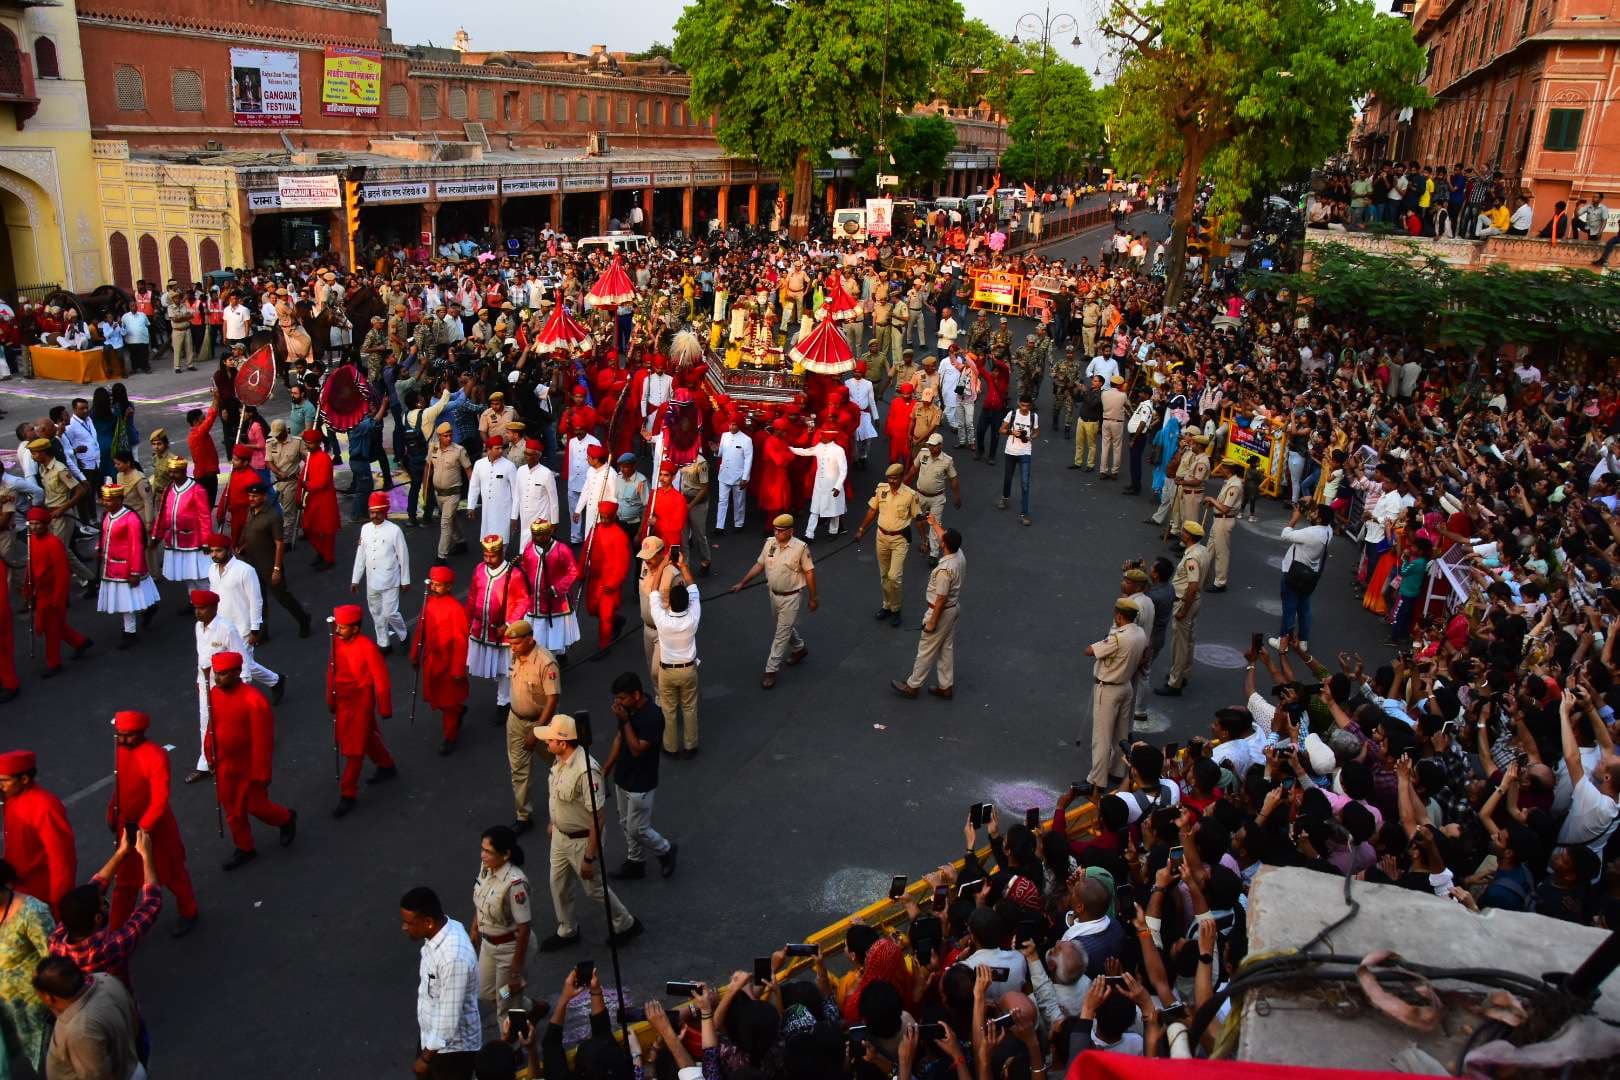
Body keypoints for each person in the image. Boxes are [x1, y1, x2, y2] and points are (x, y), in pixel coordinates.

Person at [532, 713, 641, 951]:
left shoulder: (586, 771)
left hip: (582, 842)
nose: (546, 742)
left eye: (549, 739)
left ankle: (625, 923)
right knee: (557, 883)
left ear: (562, 742)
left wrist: (589, 858)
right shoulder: (560, 759)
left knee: (594, 889)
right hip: (561, 837)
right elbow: (559, 796)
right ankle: (567, 928)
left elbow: (598, 818)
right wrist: (555, 822)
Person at [107, 710, 199, 936]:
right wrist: (112, 812)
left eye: (127, 735)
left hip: (155, 830)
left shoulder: (155, 756)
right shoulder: (120, 750)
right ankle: (114, 930)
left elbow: (159, 799)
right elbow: (120, 785)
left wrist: (142, 830)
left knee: (172, 873)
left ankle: (189, 911)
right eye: (119, 734)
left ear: (140, 733)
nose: (122, 739)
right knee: (125, 882)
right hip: (128, 826)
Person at [205, 650, 296, 870]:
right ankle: (244, 847)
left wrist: (262, 774)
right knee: (232, 809)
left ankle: (285, 818)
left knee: (257, 806)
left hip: (248, 766)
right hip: (226, 764)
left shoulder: (254, 701)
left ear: (237, 673)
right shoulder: (215, 694)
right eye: (217, 673)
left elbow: (263, 743)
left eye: (224, 674)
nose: (218, 678)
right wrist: (209, 753)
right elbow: (212, 727)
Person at [601, 672, 677, 881]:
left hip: (642, 782)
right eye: (616, 698)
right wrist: (607, 768)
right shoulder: (627, 710)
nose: (618, 703)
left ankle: (666, 849)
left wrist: (625, 722)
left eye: (622, 698)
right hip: (623, 776)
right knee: (626, 823)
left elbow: (636, 749)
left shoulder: (652, 716)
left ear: (636, 695)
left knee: (638, 828)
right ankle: (635, 862)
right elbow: (619, 739)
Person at [400, 885, 482, 1078]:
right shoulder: (442, 930)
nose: (404, 927)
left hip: (452, 1053)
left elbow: (448, 1017)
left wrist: (426, 1058)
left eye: (408, 923)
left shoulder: (453, 958)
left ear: (428, 922)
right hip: (433, 1040)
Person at [730, 514, 817, 690]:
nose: (776, 533)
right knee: (782, 626)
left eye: (780, 530)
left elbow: (809, 573)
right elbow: (759, 565)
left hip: (791, 596)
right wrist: (742, 582)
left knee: (780, 634)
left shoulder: (800, 548)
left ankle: (771, 670)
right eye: (775, 529)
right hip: (773, 594)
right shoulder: (770, 543)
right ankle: (799, 648)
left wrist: (814, 597)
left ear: (790, 531)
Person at [327, 603, 398, 818]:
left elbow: (380, 678)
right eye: (337, 626)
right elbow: (331, 672)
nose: (337, 630)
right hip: (343, 702)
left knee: (354, 750)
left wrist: (385, 706)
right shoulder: (336, 643)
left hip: (360, 703)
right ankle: (386, 765)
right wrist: (330, 699)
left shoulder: (367, 647)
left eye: (342, 627)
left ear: (355, 629)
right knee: (365, 737)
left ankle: (348, 793)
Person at [31, 955, 144, 1080]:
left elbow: (96, 1076)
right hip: (131, 1065)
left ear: (48, 997)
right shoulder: (105, 979)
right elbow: (135, 1021)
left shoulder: (81, 1030)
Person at [890, 520, 964, 700]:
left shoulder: (945, 571)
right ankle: (946, 686)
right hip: (953, 608)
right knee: (946, 647)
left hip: (941, 611)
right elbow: (944, 538)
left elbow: (940, 599)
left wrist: (932, 622)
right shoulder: (959, 555)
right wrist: (934, 523)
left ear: (944, 544)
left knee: (926, 649)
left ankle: (913, 685)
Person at [1082, 598, 1149, 794]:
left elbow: (1089, 651)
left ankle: (1097, 779)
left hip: (1109, 688)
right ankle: (1118, 770)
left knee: (1101, 737)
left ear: (1119, 616)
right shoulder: (1140, 633)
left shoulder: (1118, 638)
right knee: (1120, 734)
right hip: (1126, 685)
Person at [0, 750, 76, 913]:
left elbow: (62, 859)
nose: (1, 786)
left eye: (4, 781)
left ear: (24, 779)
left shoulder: (46, 807)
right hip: (17, 884)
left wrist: (59, 900)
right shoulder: (10, 797)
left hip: (40, 891)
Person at [206, 534, 281, 698]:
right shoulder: (211, 570)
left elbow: (256, 600)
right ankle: (276, 680)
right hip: (221, 626)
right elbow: (214, 596)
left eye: (218, 551)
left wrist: (255, 629)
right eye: (211, 551)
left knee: (241, 668)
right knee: (243, 664)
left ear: (229, 550)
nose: (214, 555)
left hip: (242, 627)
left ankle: (240, 702)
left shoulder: (245, 571)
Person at [468, 826, 533, 1016]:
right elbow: (481, 899)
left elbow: (524, 929)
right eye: (482, 849)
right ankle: (527, 1005)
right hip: (488, 945)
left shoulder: (515, 884)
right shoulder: (487, 868)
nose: (483, 855)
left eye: (488, 851)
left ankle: (515, 1040)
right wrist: (474, 927)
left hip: (509, 949)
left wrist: (515, 972)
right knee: (486, 993)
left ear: (505, 855)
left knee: (505, 1009)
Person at [467, 536, 530, 725]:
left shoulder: (514, 575)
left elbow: (523, 601)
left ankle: (504, 703)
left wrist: (510, 624)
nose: (487, 560)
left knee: (504, 670)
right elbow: (472, 596)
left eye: (491, 556)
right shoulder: (479, 570)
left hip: (503, 634)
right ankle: (510, 694)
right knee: (496, 670)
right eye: (485, 555)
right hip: (482, 629)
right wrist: (468, 620)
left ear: (501, 554)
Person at [504, 620, 559, 836]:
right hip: (516, 720)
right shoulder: (516, 655)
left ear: (529, 639)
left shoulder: (546, 662)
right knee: (518, 769)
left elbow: (553, 699)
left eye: (516, 643)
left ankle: (576, 794)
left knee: (559, 764)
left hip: (541, 723)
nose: (513, 647)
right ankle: (523, 816)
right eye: (511, 644)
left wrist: (537, 730)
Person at [236, 481, 311, 640]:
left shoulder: (273, 516)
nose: (251, 499)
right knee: (258, 598)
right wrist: (241, 545)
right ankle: (263, 632)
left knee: (282, 596)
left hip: (269, 565)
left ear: (264, 496)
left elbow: (279, 544)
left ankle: (303, 619)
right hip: (252, 562)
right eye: (250, 496)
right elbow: (247, 529)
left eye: (255, 496)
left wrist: (277, 569)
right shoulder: (250, 511)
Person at [853, 463, 925, 627]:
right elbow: (872, 511)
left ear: (901, 477)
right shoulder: (881, 489)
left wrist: (924, 540)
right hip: (881, 537)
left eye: (895, 478)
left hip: (899, 539)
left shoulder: (910, 495)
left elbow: (919, 519)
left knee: (894, 577)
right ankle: (887, 605)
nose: (891, 481)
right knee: (884, 575)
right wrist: (861, 529)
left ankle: (896, 609)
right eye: (889, 478)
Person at [23, 507, 92, 676]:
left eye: (38, 524)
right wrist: (28, 589)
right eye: (31, 524)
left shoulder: (54, 543)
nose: (34, 527)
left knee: (51, 630)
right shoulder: (31, 541)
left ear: (45, 524)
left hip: (52, 594)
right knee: (54, 627)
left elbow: (62, 574)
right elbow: (29, 567)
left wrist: (58, 598)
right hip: (40, 592)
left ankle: (54, 663)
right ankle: (80, 642)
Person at [412, 565, 471, 755]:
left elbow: (461, 642)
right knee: (439, 699)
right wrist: (415, 654)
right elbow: (421, 631)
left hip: (449, 666)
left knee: (448, 704)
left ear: (449, 586)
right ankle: (459, 711)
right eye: (433, 584)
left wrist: (457, 670)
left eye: (439, 585)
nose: (434, 588)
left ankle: (450, 737)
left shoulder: (456, 610)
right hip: (432, 662)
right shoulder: (427, 603)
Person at [648, 547, 701, 756]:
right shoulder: (692, 617)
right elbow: (694, 588)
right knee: (689, 707)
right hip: (688, 669)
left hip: (667, 671)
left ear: (670, 602)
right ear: (687, 603)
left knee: (669, 710)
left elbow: (653, 590)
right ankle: (691, 744)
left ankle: (670, 747)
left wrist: (662, 564)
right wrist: (683, 565)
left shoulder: (662, 620)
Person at [95, 484, 158, 649]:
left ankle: (130, 632)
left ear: (119, 499)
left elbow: (136, 546)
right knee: (134, 597)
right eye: (104, 499)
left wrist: (135, 571)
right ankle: (149, 608)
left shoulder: (130, 519)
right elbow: (104, 535)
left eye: (109, 500)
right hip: (111, 565)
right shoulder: (107, 516)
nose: (105, 503)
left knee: (127, 602)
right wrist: (99, 549)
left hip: (127, 566)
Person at [351, 490, 411, 653]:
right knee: (376, 613)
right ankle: (384, 643)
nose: (374, 516)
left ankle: (404, 634)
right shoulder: (365, 529)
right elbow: (361, 555)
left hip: (390, 579)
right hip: (372, 581)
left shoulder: (394, 530)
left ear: (384, 512)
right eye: (372, 512)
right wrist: (355, 579)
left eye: (378, 512)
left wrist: (405, 580)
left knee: (391, 612)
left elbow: (403, 555)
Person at [1154, 520, 1206, 697]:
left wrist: (1184, 609)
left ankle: (1174, 682)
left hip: (1186, 601)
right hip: (1195, 600)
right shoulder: (1203, 550)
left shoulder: (1191, 558)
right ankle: (1184, 673)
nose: (1181, 534)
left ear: (1188, 536)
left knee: (1180, 645)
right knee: (1189, 640)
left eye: (1183, 532)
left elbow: (1192, 586)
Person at [1271, 502, 1332, 651]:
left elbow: (1285, 535)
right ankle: (1303, 641)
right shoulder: (1328, 531)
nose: (1312, 513)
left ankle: (1283, 641)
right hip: (1310, 575)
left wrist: (1294, 518)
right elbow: (1316, 521)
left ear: (1319, 519)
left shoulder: (1310, 533)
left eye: (1315, 512)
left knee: (1289, 608)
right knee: (1304, 608)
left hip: (1293, 573)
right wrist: (1310, 508)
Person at [151, 455, 212, 602]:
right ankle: (194, 601)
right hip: (175, 540)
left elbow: (204, 517)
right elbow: (163, 514)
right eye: (170, 472)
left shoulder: (197, 489)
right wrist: (156, 535)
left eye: (175, 472)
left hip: (194, 541)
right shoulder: (170, 489)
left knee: (200, 576)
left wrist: (206, 541)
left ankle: (210, 601)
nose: (172, 475)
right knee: (186, 576)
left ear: (184, 471)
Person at [516, 520, 580, 658]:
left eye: (539, 535)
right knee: (537, 633)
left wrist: (555, 589)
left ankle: (557, 658)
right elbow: (525, 567)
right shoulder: (529, 548)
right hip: (535, 602)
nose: (535, 538)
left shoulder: (562, 550)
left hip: (556, 602)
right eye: (534, 535)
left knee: (556, 634)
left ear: (547, 534)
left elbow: (573, 572)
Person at [583, 501, 631, 654]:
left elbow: (623, 563)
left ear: (613, 516)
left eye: (607, 518)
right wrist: (580, 570)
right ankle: (617, 621)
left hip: (609, 582)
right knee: (592, 609)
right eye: (602, 517)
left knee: (605, 615)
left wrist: (614, 582)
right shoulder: (594, 530)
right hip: (595, 580)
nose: (604, 521)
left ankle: (604, 647)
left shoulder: (620, 536)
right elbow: (586, 551)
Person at [905, 433, 961, 561]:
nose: (931, 448)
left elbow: (953, 480)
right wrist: (903, 484)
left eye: (934, 446)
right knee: (918, 520)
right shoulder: (923, 453)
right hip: (920, 495)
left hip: (937, 498)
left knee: (935, 524)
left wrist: (957, 496)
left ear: (940, 446)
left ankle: (934, 554)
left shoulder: (947, 461)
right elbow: (913, 470)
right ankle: (924, 541)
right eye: (930, 445)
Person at [789, 428, 848, 541]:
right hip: (819, 485)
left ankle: (833, 531)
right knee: (815, 509)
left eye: (822, 436)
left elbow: (843, 470)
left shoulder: (838, 450)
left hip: (833, 485)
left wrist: (838, 486)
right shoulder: (819, 447)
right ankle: (809, 534)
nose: (820, 438)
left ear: (828, 438)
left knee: (834, 510)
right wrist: (789, 449)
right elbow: (805, 452)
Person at [426, 423, 472, 559]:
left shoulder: (459, 450)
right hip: (438, 493)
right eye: (445, 436)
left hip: (453, 494)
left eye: (450, 435)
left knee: (445, 523)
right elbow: (428, 468)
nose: (449, 438)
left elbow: (469, 471)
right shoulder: (433, 448)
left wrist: (474, 494)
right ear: (439, 437)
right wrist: (425, 488)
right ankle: (461, 542)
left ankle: (441, 557)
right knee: (451, 519)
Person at [298, 430, 340, 571]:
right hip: (312, 498)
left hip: (325, 500)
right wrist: (299, 496)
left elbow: (322, 482)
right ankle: (321, 551)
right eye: (307, 443)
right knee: (309, 528)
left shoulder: (324, 458)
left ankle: (328, 558)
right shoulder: (309, 458)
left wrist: (306, 485)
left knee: (326, 531)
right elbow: (302, 477)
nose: (308, 446)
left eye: (310, 443)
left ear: (318, 443)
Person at [468, 439, 518, 553]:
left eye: (502, 448)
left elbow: (516, 493)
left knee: (502, 542)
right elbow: (474, 486)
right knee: (487, 541)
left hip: (504, 512)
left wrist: (514, 516)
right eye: (497, 448)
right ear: (488, 449)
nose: (501, 451)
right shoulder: (479, 464)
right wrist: (471, 506)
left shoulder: (509, 466)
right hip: (487, 512)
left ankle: (501, 564)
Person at [1203, 462, 1245, 592]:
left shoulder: (1235, 485)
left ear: (1229, 470)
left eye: (1223, 467)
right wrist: (1214, 504)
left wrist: (1211, 500)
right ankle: (1203, 576)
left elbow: (1225, 508)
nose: (1220, 469)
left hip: (1224, 521)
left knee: (1221, 553)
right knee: (1208, 551)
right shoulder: (1229, 482)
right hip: (1218, 520)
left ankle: (1220, 583)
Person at [998, 392, 1038, 525]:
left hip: (1025, 452)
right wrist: (1011, 432)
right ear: (1019, 404)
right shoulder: (1012, 414)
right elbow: (1001, 429)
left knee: (1025, 483)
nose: (1025, 408)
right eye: (1022, 405)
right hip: (1010, 451)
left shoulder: (1034, 416)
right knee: (1008, 478)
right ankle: (1005, 497)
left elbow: (1037, 431)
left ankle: (1024, 514)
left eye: (1027, 406)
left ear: (1030, 405)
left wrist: (1031, 436)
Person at [714, 413, 753, 532]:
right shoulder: (724, 436)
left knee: (739, 501)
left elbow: (748, 459)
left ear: (739, 425)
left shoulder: (746, 440)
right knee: (722, 501)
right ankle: (719, 526)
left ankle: (739, 524)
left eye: (734, 424)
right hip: (724, 473)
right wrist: (715, 451)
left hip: (739, 476)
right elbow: (720, 453)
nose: (731, 427)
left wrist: (745, 477)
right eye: (730, 424)